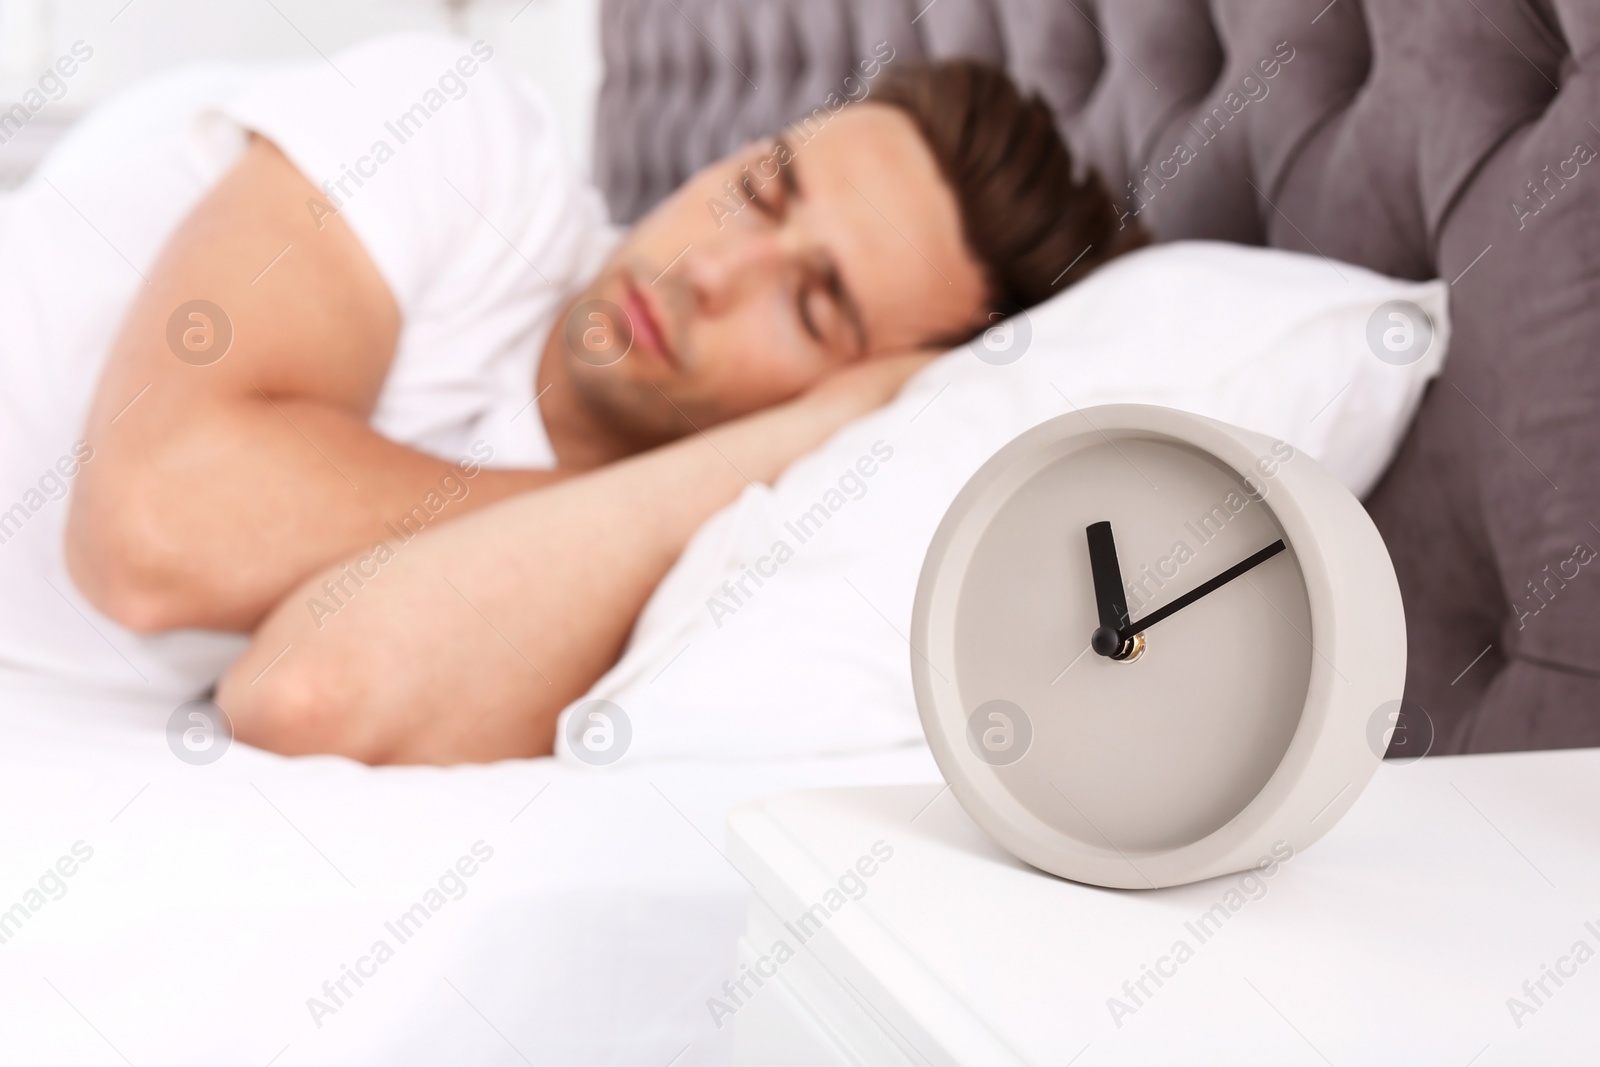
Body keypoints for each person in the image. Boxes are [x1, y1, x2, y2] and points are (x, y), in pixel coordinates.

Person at [0, 34, 1135, 762]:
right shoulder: (465, 133)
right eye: (759, 190)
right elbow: (154, 533)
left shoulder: (674, 563)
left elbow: (302, 694)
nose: (713, 268)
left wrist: (799, 447)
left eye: (812, 306)